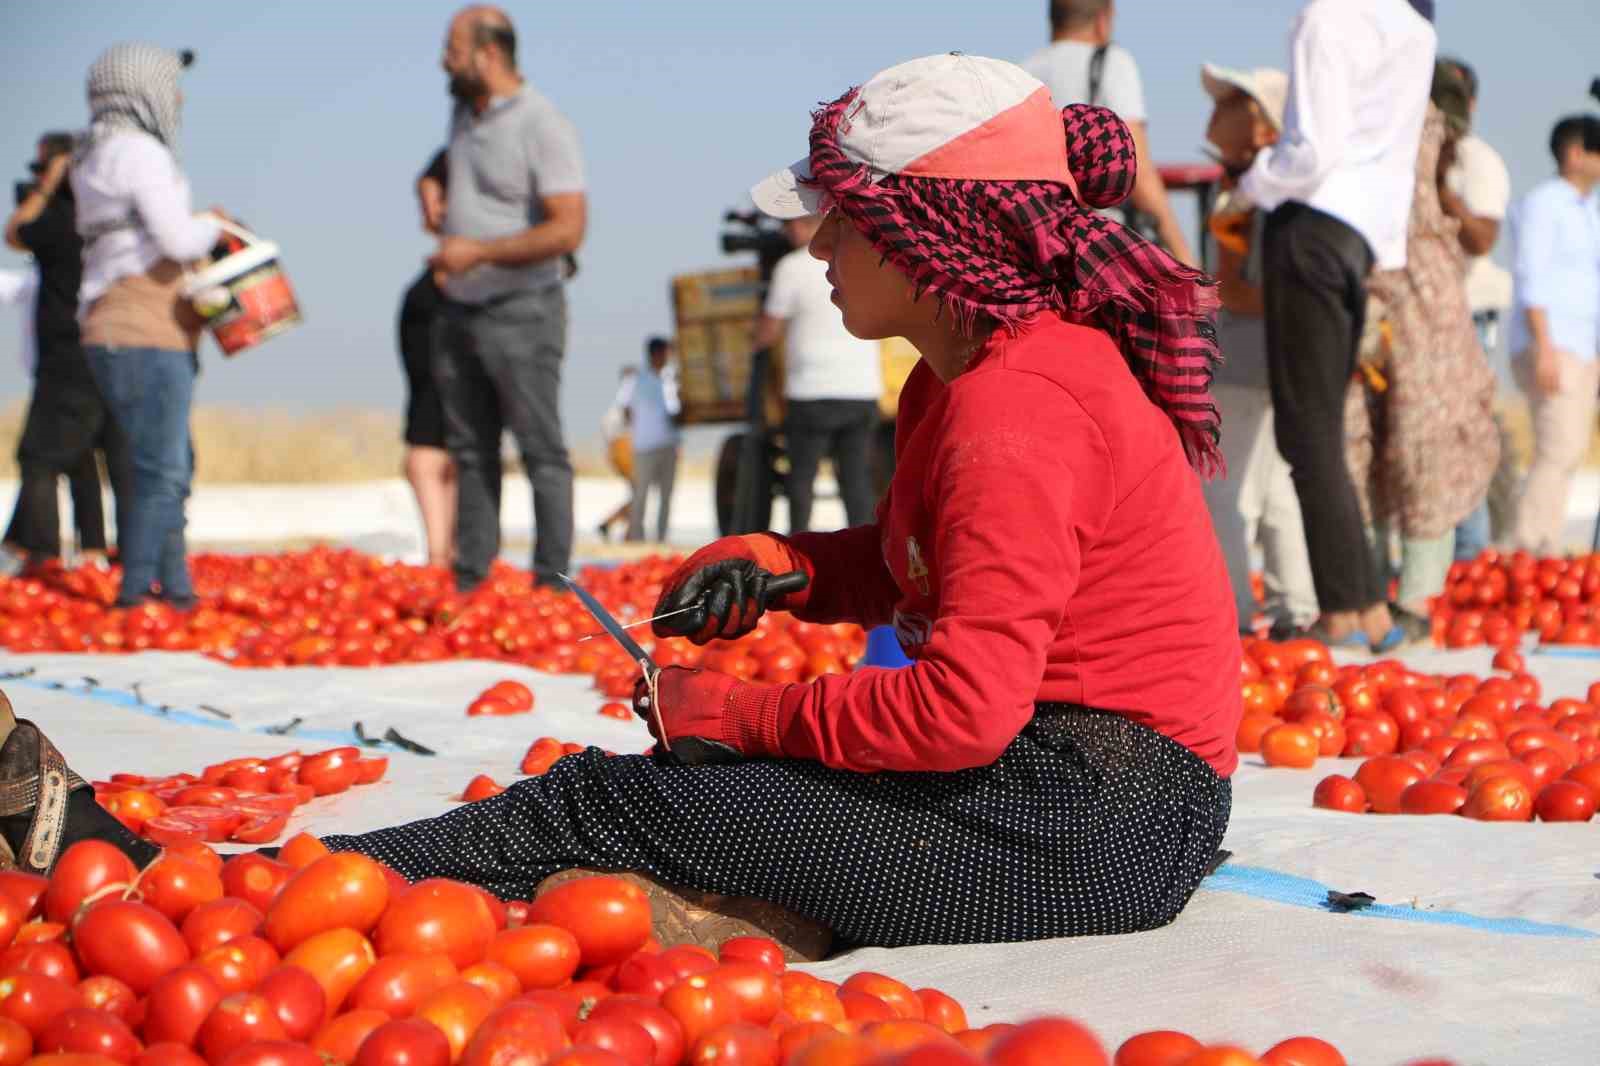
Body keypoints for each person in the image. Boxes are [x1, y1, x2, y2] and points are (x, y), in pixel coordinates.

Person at [0, 56, 1240, 953]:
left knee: (612, 800)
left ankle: (212, 887)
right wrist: (791, 569)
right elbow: (930, 558)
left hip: (1089, 819)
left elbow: (963, 709)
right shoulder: (968, 374)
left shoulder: (1012, 405)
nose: (811, 249)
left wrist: (741, 714)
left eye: (836, 222)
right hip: (1065, 787)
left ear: (924, 232)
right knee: (669, 813)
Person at [1241, 0, 1436, 650]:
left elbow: (1311, 153)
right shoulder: (1414, 29)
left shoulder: (1328, 16)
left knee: (1307, 429)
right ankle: (1364, 608)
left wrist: (1251, 184)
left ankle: (1346, 613)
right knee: (1321, 425)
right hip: (1360, 238)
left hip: (1312, 224)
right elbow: (1397, 159)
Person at [428, 5, 587, 593]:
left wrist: (480, 253)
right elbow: (464, 163)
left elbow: (568, 229)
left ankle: (553, 587)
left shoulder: (543, 125)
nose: (443, 60)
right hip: (460, 310)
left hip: (523, 310)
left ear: (487, 55)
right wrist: (431, 176)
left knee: (540, 450)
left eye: (452, 48)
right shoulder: (464, 114)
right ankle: (472, 581)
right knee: (470, 451)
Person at [70, 44, 221, 610]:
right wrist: (214, 223)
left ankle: (176, 587)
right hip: (146, 327)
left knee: (158, 461)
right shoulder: (140, 152)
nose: (177, 97)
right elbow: (180, 240)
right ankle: (138, 594)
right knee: (164, 469)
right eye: (169, 84)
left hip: (107, 326)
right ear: (141, 89)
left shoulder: (93, 154)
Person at [1345, 93, 1498, 637]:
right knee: (1363, 446)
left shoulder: (1426, 142)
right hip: (1376, 297)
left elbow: (1481, 235)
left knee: (1421, 448)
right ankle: (1377, 592)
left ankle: (1415, 597)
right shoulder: (1373, 131)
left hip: (1423, 308)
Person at [1195, 64, 1316, 640]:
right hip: (1269, 360)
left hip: (1245, 361)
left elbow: (1250, 290)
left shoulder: (1258, 193)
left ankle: (1234, 616)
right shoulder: (1255, 187)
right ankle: (1298, 610)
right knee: (1272, 491)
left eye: (1234, 103)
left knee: (1223, 492)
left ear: (1266, 129)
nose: (1216, 111)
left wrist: (1201, 289)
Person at [3, 131, 130, 578]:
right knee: (81, 455)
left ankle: (40, 555)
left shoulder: (61, 220)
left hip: (67, 358)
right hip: (107, 351)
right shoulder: (104, 220)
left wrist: (47, 185)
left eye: (41, 168)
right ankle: (96, 551)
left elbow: (15, 233)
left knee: (37, 457)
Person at [1021, 0, 1198, 266]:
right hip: (1096, 251)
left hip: (1036, 243)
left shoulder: (1023, 72)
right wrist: (1184, 259)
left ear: (1053, 20)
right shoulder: (1111, 62)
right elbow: (1138, 171)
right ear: (1104, 20)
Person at [1507, 115, 1600, 556]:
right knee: (1557, 448)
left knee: (1571, 449)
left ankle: (1546, 546)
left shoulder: (1589, 211)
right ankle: (1528, 550)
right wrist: (1544, 346)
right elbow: (1532, 276)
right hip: (1553, 344)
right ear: (1575, 153)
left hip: (1583, 349)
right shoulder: (1545, 203)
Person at [754, 215, 883, 532]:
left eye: (790, 226)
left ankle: (797, 549)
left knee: (802, 480)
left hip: (811, 391)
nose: (786, 233)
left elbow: (769, 330)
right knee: (856, 481)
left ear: (805, 224)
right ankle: (863, 551)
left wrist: (753, 340)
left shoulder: (792, 267)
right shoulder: (857, 258)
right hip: (860, 389)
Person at [1437, 57, 1514, 559]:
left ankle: (1470, 557)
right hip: (1429, 317)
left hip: (1468, 316)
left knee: (1465, 434)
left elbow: (1482, 237)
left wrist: (1441, 193)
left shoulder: (1478, 162)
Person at [399, 149, 456, 571]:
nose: (428, 210)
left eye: (435, 199)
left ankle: (441, 557)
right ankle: (442, 555)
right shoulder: (443, 261)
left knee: (427, 461)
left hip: (448, 386)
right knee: (430, 461)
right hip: (426, 388)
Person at [620, 336, 681, 543]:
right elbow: (625, 408)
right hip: (645, 446)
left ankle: (662, 537)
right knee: (641, 494)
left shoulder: (672, 378)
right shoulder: (635, 379)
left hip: (669, 445)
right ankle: (637, 536)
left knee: (666, 494)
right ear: (654, 354)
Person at [596, 367, 636, 541]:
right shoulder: (626, 399)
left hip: (619, 448)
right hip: (624, 447)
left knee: (638, 494)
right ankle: (624, 530)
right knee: (640, 493)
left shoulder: (618, 403)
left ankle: (612, 523)